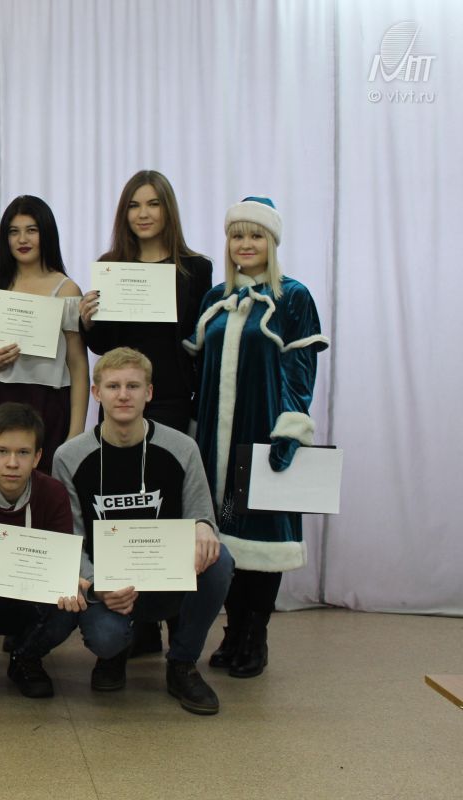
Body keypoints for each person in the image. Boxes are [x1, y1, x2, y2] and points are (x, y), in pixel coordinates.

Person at [184, 198, 329, 678]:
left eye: (255, 235)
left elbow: (300, 369)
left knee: (260, 536)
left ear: (272, 242)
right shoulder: (215, 298)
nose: (245, 244)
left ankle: (255, 633)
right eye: (237, 235)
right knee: (226, 533)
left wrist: (291, 428)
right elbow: (198, 372)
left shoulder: (293, 297)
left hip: (261, 442)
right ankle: (233, 630)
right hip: (215, 446)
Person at [53, 348, 233, 715]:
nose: (123, 395)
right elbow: (70, 539)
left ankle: (182, 663)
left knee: (219, 559)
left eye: (133, 386)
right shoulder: (68, 457)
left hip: (167, 574)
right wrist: (96, 584)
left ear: (148, 393)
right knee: (106, 638)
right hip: (109, 582)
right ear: (96, 393)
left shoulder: (183, 447)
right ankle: (114, 654)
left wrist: (203, 527)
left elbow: (202, 514)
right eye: (113, 386)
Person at [78, 170, 213, 657]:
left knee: (167, 508)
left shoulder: (195, 268)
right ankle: (137, 622)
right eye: (135, 205)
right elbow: (103, 345)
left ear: (167, 209)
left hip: (171, 397)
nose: (143, 213)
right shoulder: (110, 266)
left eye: (153, 204)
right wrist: (87, 321)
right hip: (121, 398)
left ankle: (172, 617)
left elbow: (199, 337)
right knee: (124, 504)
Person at [0, 402, 101, 702]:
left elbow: (61, 552)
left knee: (67, 607)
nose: (13, 463)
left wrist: (69, 579)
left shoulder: (53, 493)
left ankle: (26, 658)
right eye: (2, 451)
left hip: (33, 596)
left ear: (38, 456)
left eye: (23, 453)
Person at [0, 195, 88, 473]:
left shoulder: (66, 289)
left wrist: (77, 430)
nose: (22, 239)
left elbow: (78, 364)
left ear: (47, 233)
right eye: (13, 231)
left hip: (48, 403)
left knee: (45, 489)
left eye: (31, 230)